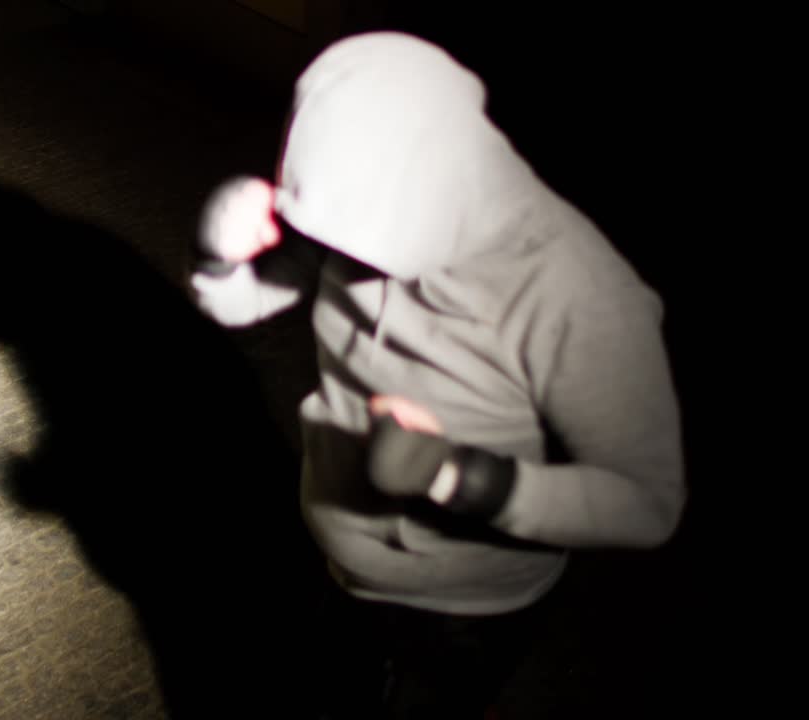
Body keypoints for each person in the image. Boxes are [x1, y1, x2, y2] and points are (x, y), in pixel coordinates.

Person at [187, 32, 685, 719]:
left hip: (470, 601)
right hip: (340, 552)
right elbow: (242, 305)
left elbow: (649, 503)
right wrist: (218, 258)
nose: (343, 259)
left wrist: (455, 476)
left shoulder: (580, 295)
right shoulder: (346, 205)